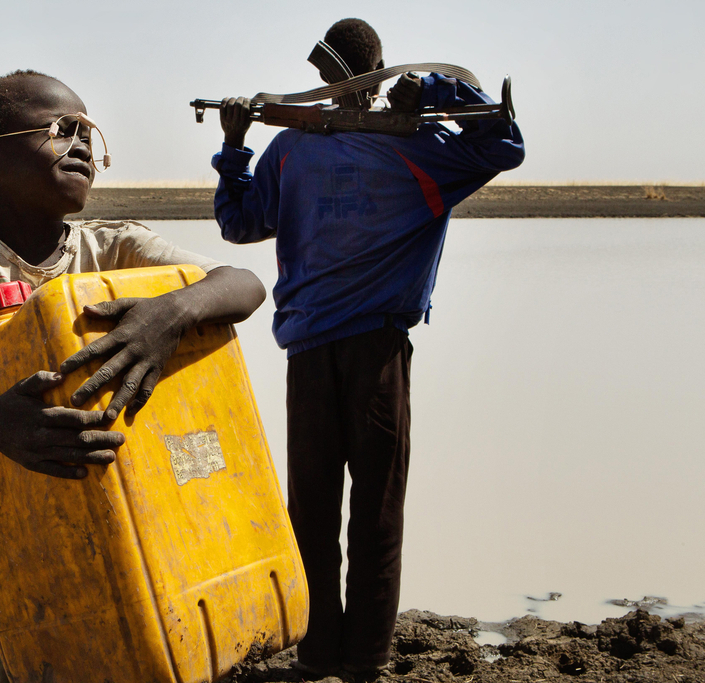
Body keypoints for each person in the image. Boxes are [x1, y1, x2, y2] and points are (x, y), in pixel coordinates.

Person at [0, 69, 266, 683]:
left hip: (139, 519)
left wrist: (168, 315)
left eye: (89, 133)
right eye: (61, 130)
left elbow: (243, 284)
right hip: (5, 527)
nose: (83, 145)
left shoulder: (117, 247)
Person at [209, 18, 525, 680]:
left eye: (342, 81)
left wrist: (433, 89)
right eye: (326, 83)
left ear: (374, 83)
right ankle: (327, 654)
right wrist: (234, 148)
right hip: (316, 350)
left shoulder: (423, 145)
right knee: (322, 512)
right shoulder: (293, 148)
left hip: (373, 346)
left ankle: (363, 661)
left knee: (365, 513)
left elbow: (506, 143)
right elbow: (241, 223)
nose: (333, 94)